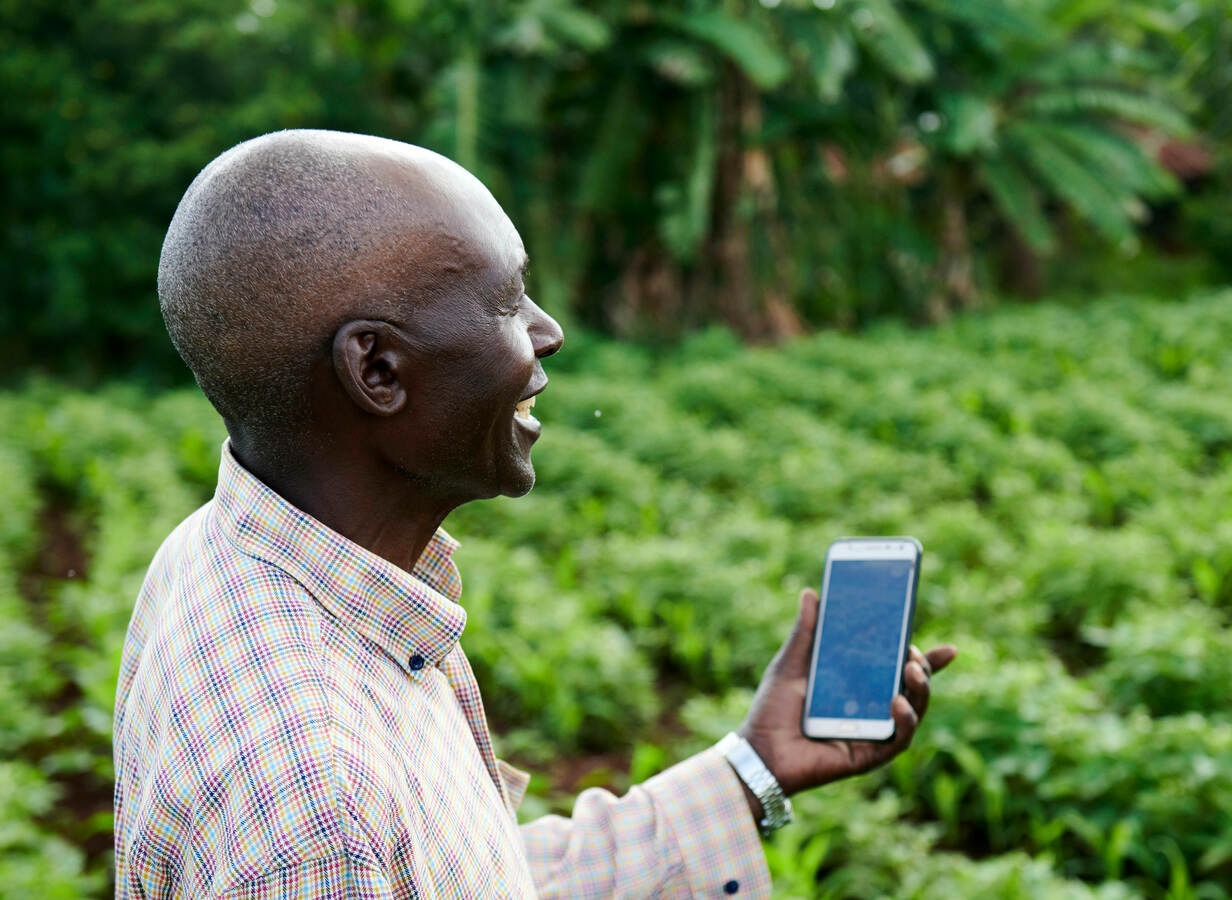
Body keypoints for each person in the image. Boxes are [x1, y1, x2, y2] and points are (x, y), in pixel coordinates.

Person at [112, 130, 956, 898]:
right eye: (507, 301)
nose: (548, 332)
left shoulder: (220, 557)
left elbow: (475, 877)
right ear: (378, 370)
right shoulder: (319, 812)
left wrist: (753, 768)